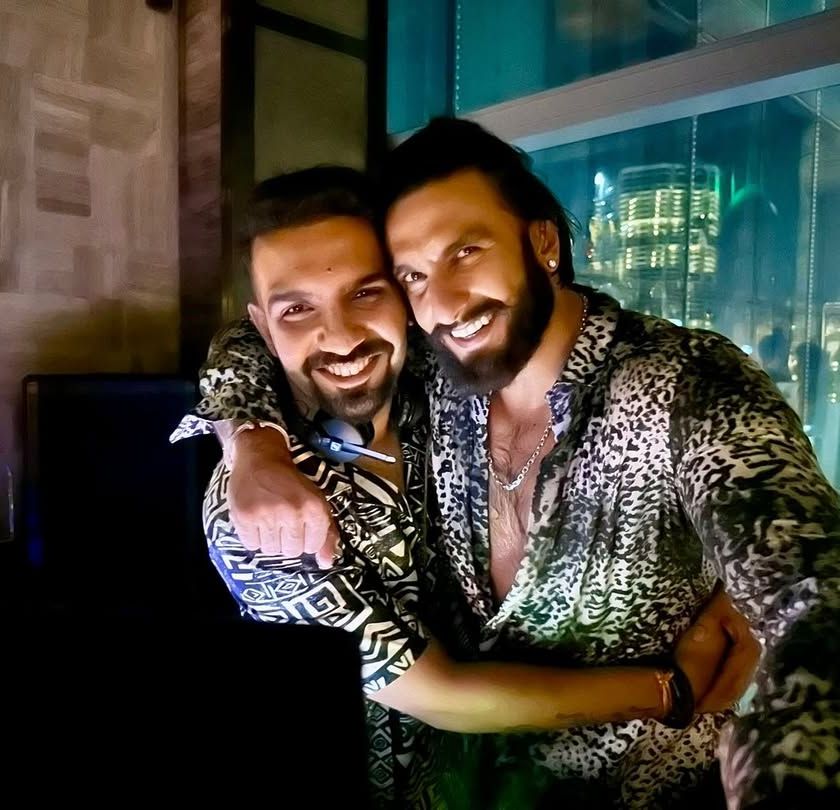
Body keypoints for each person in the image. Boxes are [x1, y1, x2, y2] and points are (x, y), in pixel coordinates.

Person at [183, 119, 840, 808]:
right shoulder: (431, 381)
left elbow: (812, 583)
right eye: (414, 275)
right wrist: (252, 441)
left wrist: (787, 738)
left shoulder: (685, 383)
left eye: (466, 251)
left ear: (543, 242)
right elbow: (260, 335)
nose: (443, 303)